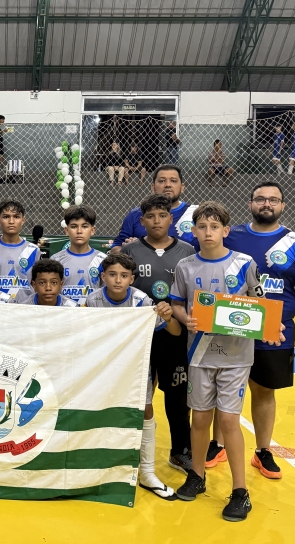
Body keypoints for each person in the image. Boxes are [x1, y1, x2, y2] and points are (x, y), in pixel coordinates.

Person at [170, 201, 274, 521]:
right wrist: (186, 318)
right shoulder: (186, 267)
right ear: (193, 230)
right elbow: (176, 304)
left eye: (215, 227)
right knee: (200, 419)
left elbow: (260, 305)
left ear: (226, 231)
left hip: (236, 355)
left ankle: (240, 492)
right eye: (202, 226)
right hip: (199, 354)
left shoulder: (244, 264)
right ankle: (197, 477)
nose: (208, 232)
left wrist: (269, 323)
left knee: (228, 421)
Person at [214, 182, 295, 480]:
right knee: (220, 389)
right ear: (250, 203)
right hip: (229, 327)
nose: (266, 204)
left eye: (273, 200)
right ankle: (217, 444)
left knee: (264, 391)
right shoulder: (229, 235)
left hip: (276, 332)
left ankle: (262, 451)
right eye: (260, 198)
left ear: (282, 206)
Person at [85, 252, 182, 501]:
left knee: (145, 411)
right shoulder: (93, 300)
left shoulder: (141, 301)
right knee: (102, 410)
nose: (118, 280)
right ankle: (104, 468)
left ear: (132, 279)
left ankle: (147, 472)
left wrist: (168, 315)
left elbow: (173, 331)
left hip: (136, 367)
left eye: (124, 275)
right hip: (102, 368)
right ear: (103, 276)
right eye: (113, 275)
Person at [121, 194, 196, 474]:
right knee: (137, 393)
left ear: (171, 219)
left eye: (162, 216)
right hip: (138, 333)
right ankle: (131, 449)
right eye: (150, 217)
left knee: (177, 395)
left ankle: (180, 451)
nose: (156, 221)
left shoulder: (187, 252)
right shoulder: (130, 252)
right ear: (142, 221)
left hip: (173, 332)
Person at [112, 164, 198, 250]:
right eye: (161, 181)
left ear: (182, 187)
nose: (168, 185)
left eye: (173, 181)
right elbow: (114, 249)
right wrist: (128, 248)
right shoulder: (135, 214)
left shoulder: (197, 213)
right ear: (153, 187)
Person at [0, 199, 39, 300]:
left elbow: (37, 284)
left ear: (23, 220)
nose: (11, 221)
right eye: (6, 217)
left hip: (25, 308)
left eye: (16, 217)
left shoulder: (33, 250)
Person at [51, 204, 106, 306]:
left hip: (92, 316)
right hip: (65, 316)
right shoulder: (55, 260)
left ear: (92, 230)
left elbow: (107, 294)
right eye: (74, 226)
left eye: (84, 226)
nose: (79, 231)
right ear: (66, 230)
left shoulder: (103, 260)